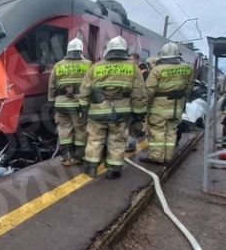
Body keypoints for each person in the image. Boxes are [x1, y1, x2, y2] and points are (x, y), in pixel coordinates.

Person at [79, 35, 147, 179]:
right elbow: (139, 94)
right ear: (125, 50)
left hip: (97, 113)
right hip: (120, 114)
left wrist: (84, 110)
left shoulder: (96, 67)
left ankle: (91, 168)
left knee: (94, 140)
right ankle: (113, 170)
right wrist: (138, 115)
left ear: (108, 50)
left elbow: (85, 91)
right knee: (116, 141)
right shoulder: (133, 67)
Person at [140, 43, 194, 165]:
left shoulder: (157, 70)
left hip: (159, 107)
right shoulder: (188, 68)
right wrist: (184, 101)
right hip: (177, 106)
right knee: (171, 131)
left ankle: (156, 157)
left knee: (157, 131)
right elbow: (189, 87)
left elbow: (149, 91)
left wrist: (145, 106)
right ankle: (168, 157)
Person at [48, 37, 91, 165]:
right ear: (81, 50)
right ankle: (78, 157)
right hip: (79, 105)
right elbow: (92, 85)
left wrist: (51, 102)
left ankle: (66, 158)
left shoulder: (59, 65)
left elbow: (51, 85)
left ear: (68, 50)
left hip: (61, 104)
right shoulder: (88, 64)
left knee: (64, 129)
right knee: (80, 129)